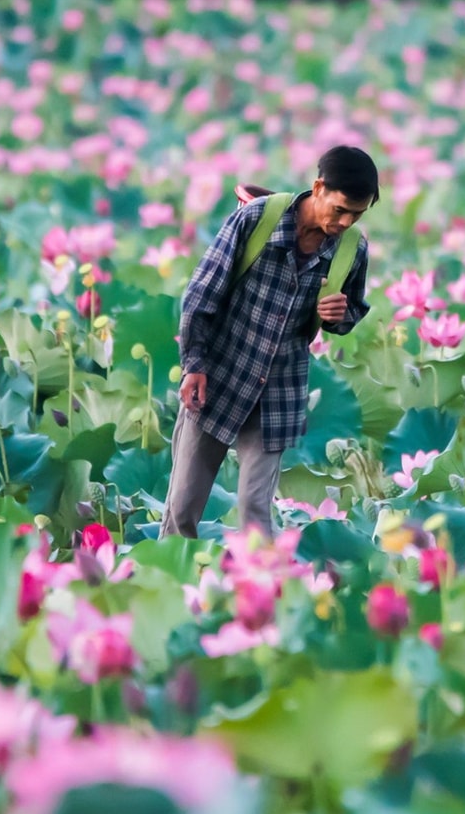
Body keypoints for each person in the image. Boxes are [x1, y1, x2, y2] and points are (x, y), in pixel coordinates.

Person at [160, 146, 377, 538]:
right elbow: (200, 295)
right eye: (341, 210)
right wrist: (193, 364)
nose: (346, 222)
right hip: (219, 374)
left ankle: (259, 588)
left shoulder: (352, 250)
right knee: (182, 508)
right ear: (318, 187)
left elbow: (352, 312)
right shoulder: (255, 219)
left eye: (357, 215)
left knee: (256, 509)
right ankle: (171, 586)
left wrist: (338, 315)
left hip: (279, 389)